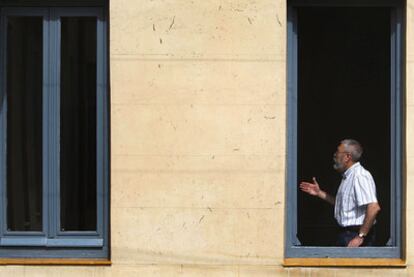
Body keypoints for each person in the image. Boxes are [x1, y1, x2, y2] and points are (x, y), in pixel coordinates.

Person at [299, 139, 381, 247]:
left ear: (347, 157)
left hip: (356, 236)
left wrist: (360, 237)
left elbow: (374, 207)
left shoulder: (360, 176)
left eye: (337, 152)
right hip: (346, 234)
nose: (334, 155)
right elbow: (343, 205)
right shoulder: (348, 176)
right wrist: (319, 193)